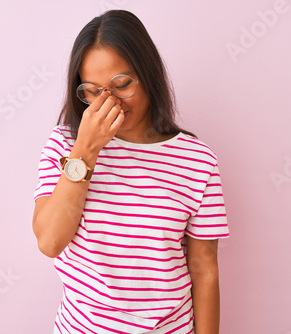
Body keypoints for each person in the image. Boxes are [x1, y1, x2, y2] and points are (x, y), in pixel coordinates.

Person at [32, 9, 229, 334]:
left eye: (121, 84)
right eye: (92, 91)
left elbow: (205, 271)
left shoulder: (197, 160)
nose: (108, 102)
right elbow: (50, 241)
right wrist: (86, 150)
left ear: (148, 74)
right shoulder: (65, 144)